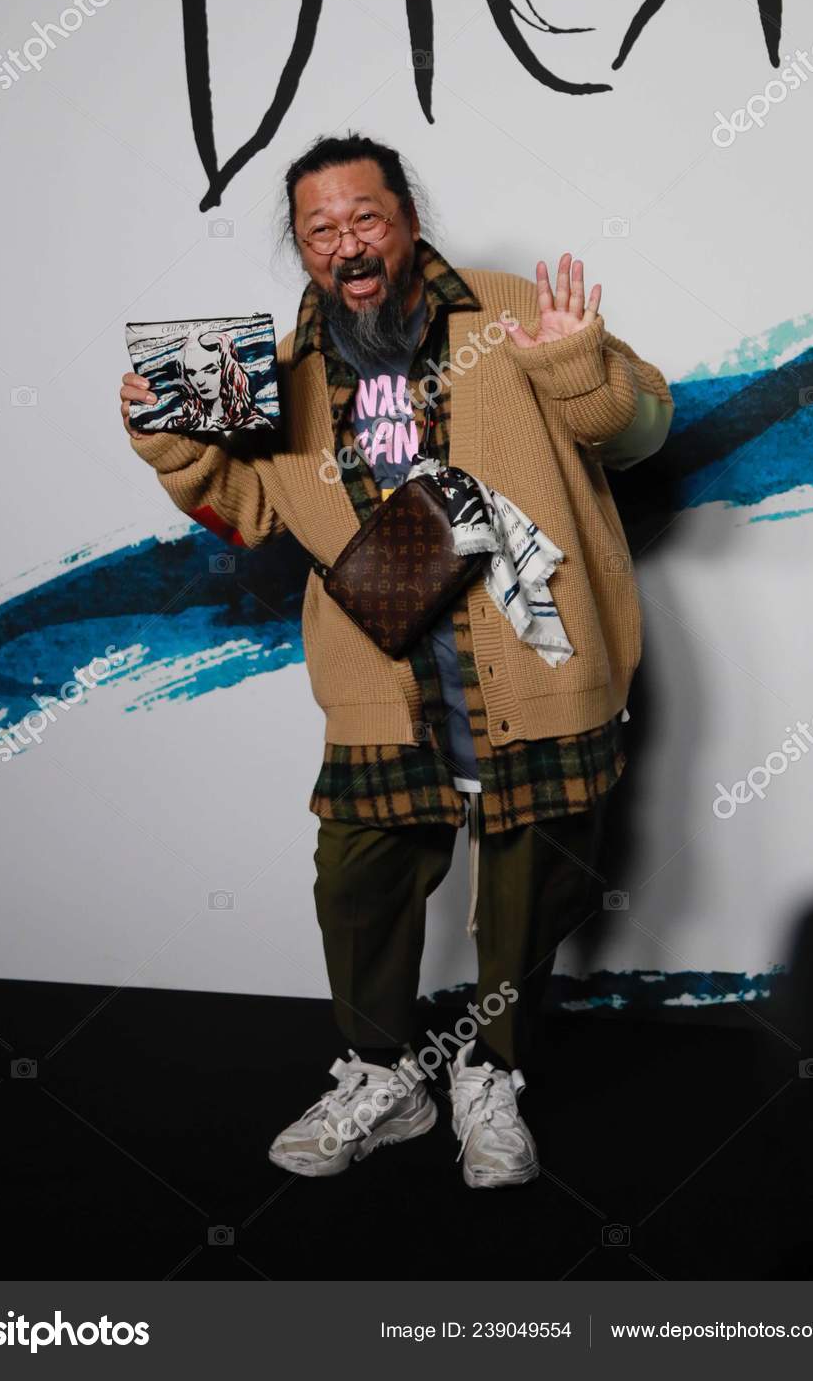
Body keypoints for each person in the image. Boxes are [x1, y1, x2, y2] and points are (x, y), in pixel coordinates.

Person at [119, 132, 673, 1189]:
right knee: (357, 882)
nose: (347, 245)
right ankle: (383, 1076)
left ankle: (491, 1075)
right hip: (388, 677)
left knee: (530, 885)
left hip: (532, 659)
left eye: (365, 217)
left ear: (406, 217)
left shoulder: (513, 302)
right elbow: (247, 511)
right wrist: (169, 442)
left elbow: (638, 430)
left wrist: (571, 361)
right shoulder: (270, 373)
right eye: (319, 230)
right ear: (301, 247)